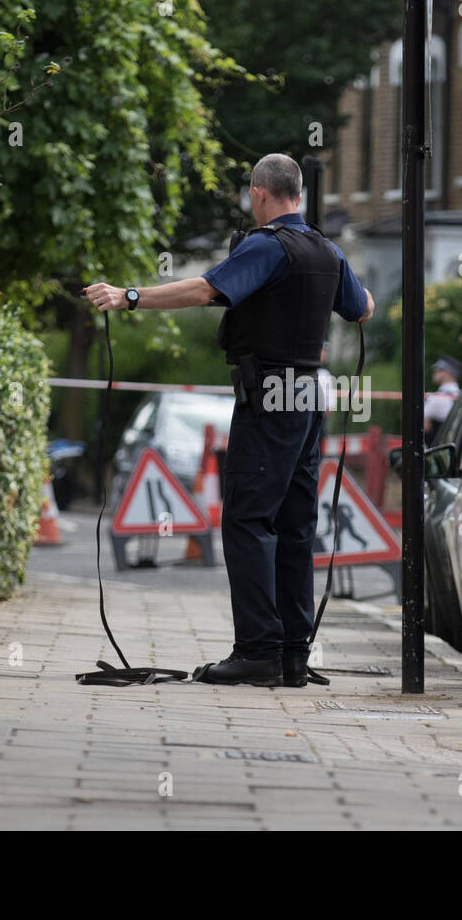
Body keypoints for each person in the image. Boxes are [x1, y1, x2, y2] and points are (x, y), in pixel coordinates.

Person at [83, 153, 374, 687]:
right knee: (294, 525)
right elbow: (364, 308)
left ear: (258, 192)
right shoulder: (327, 250)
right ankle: (291, 656)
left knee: (246, 520)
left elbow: (204, 289)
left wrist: (128, 297)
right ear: (300, 194)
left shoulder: (268, 246)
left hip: (269, 397)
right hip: (309, 400)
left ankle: (258, 652)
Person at [423, 355, 462, 446]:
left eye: (438, 370)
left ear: (447, 373)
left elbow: (420, 424)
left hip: (437, 449)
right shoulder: (460, 395)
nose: (434, 373)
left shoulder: (438, 397)